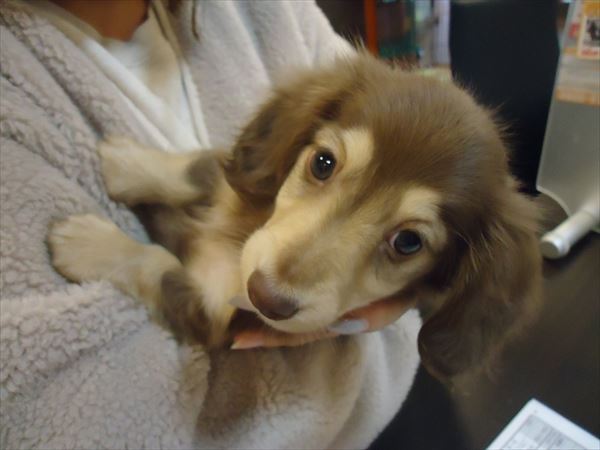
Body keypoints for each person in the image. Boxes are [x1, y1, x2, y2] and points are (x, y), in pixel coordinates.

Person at [0, 0, 421, 448]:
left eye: (408, 242)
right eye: (323, 165)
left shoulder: (272, 11)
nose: (277, 282)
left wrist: (399, 308)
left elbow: (409, 342)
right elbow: (103, 423)